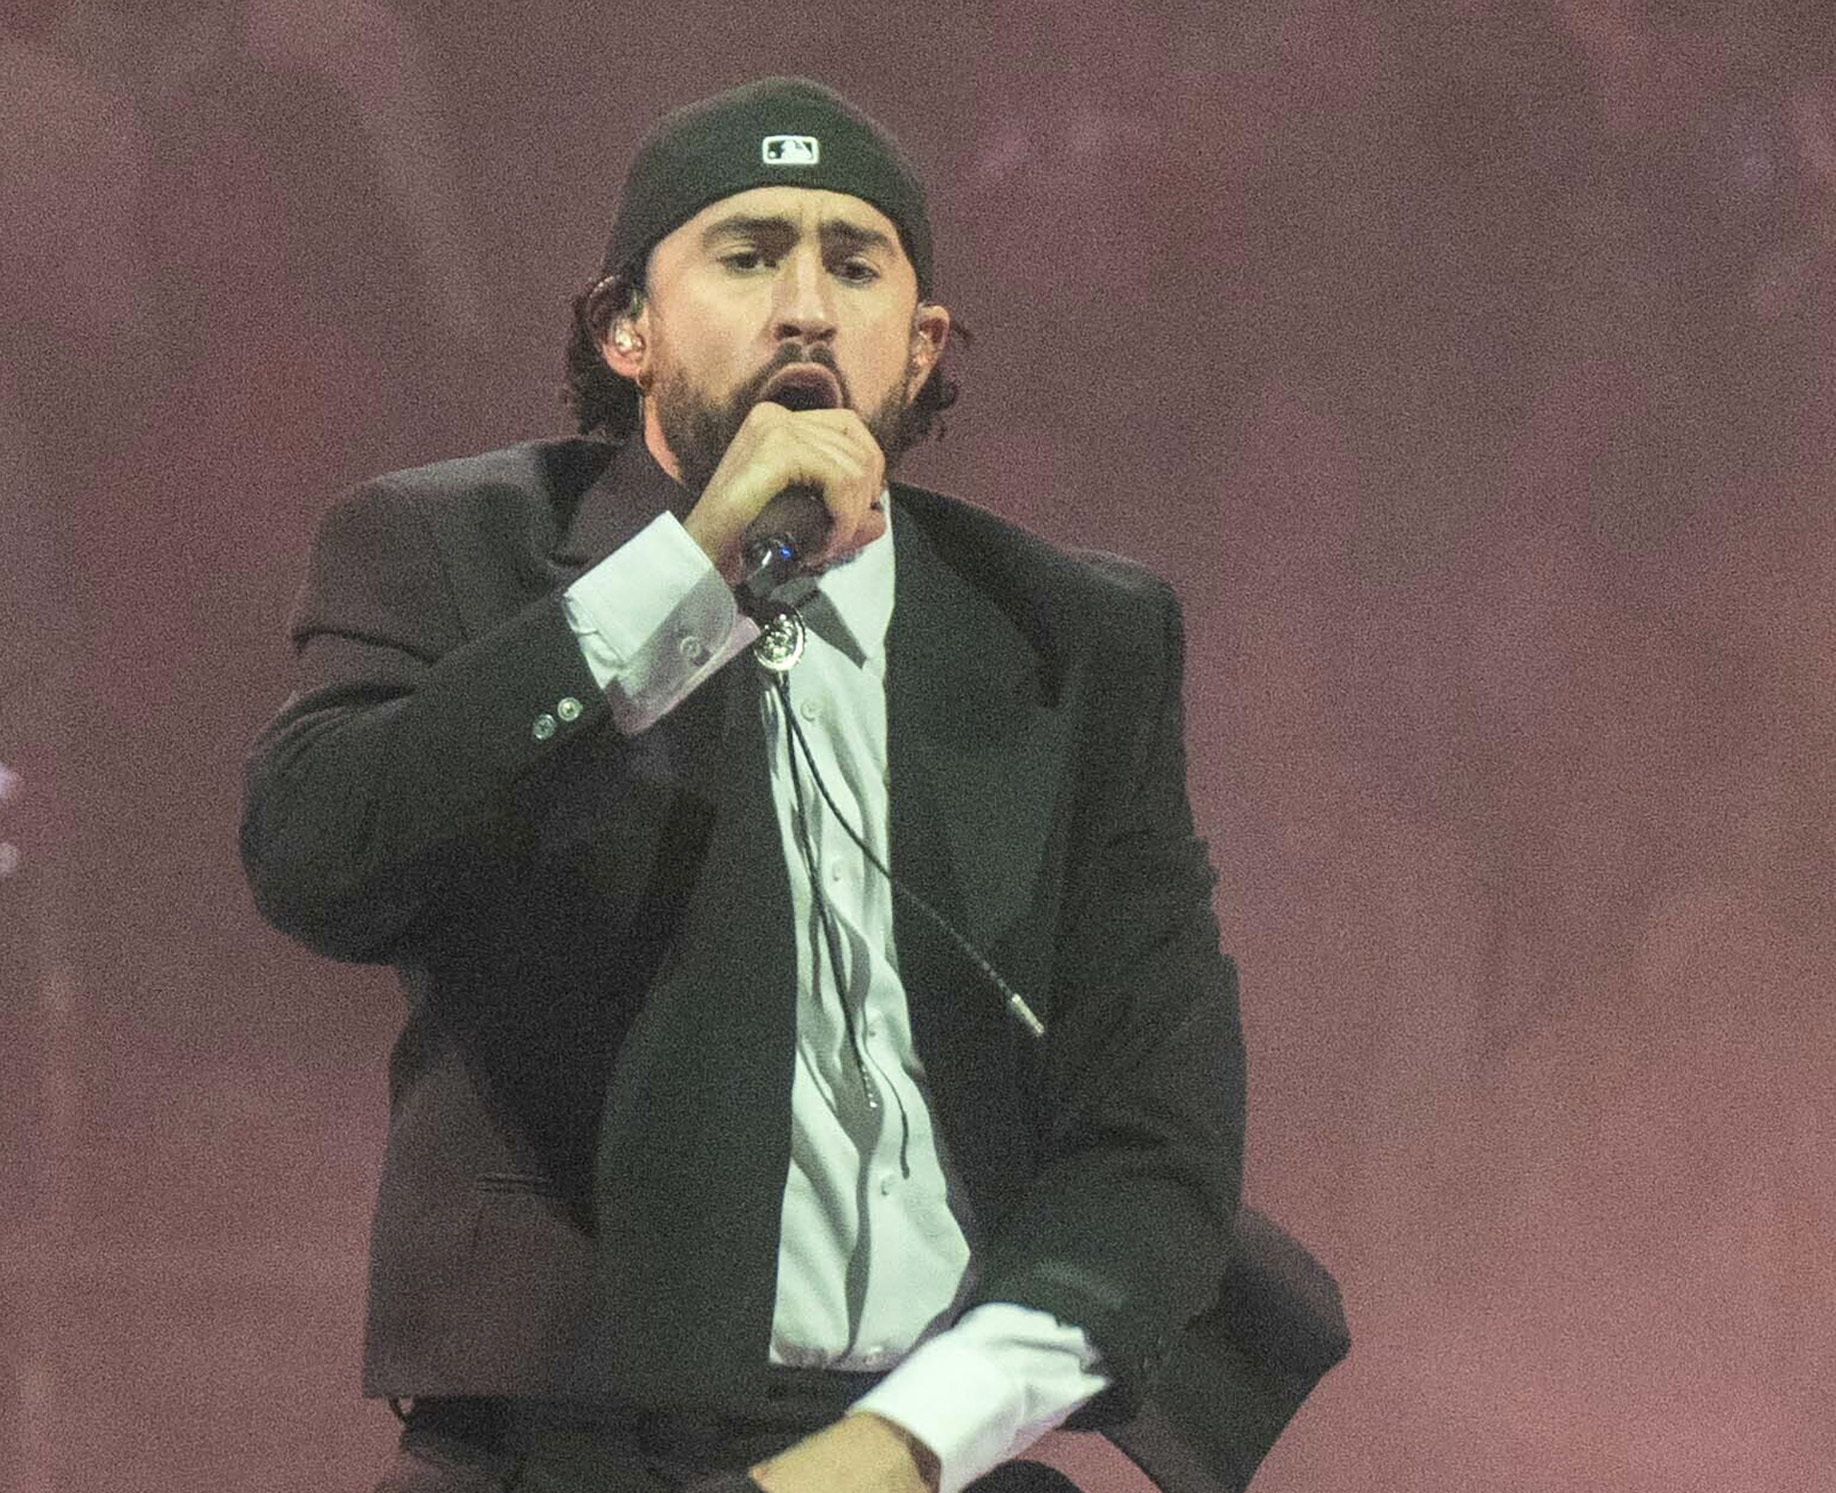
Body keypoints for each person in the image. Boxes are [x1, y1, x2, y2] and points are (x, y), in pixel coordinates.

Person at [241, 77, 1342, 1493]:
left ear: (924, 341)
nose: (808, 304)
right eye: (749, 254)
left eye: (855, 261)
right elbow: (319, 853)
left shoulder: (1076, 637)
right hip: (566, 1455)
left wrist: (890, 1450)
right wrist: (689, 568)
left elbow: (1156, 1135)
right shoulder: (455, 550)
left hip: (929, 1453)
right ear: (623, 327)